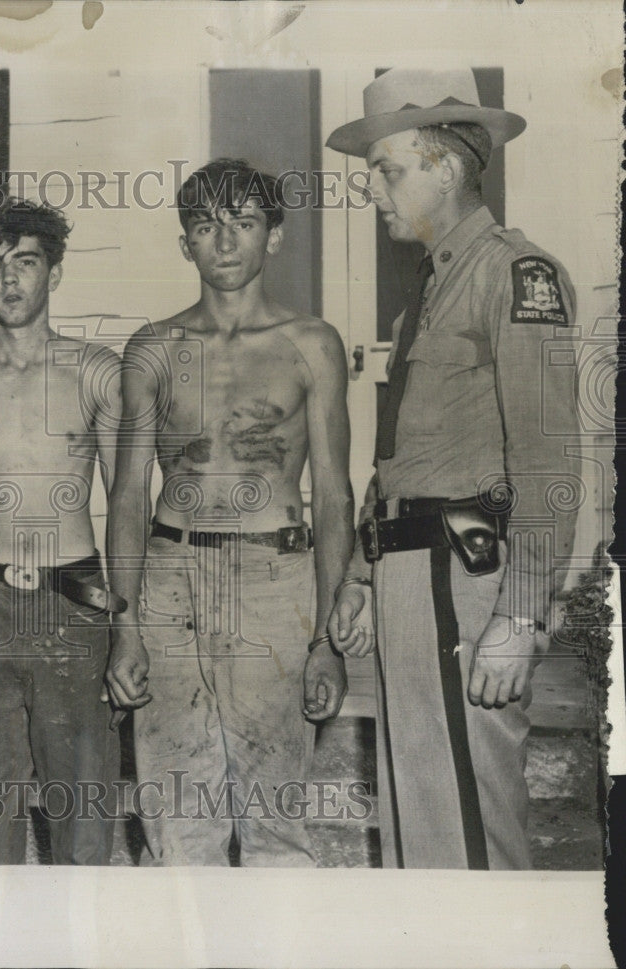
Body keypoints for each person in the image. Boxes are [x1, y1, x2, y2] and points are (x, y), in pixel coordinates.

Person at [325, 68, 580, 869]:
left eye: (387, 169)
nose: (371, 189)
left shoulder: (514, 275)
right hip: (410, 573)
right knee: (420, 817)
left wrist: (525, 614)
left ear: (445, 165)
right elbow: (403, 454)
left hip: (468, 580)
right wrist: (364, 574)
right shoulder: (423, 297)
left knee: (471, 822)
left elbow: (548, 460)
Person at [104, 158, 354, 866]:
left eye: (243, 223)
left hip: (274, 580)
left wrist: (327, 638)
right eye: (205, 226)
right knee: (179, 819)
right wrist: (125, 625)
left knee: (275, 818)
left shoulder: (312, 344)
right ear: (185, 241)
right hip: (169, 575)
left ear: (273, 236)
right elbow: (126, 493)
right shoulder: (154, 348)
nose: (224, 242)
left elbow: (334, 494)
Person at [0, 197, 122, 865]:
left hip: (75, 603)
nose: (9, 280)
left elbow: (127, 507)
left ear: (54, 274)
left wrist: (130, 628)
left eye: (26, 262)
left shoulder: (97, 372)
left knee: (83, 825)